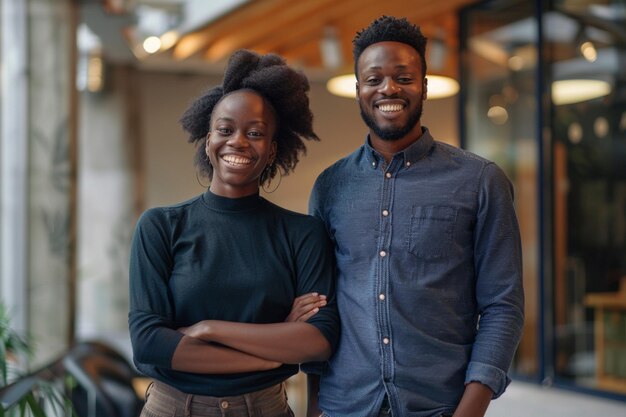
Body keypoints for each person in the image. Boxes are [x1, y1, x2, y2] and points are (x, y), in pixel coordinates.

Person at [306, 16, 524, 417]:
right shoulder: (330, 186)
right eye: (373, 79)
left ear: (423, 86)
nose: (388, 88)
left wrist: (471, 408)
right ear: (358, 91)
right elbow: (322, 307)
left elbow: (502, 306)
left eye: (403, 77)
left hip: (439, 405)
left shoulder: (480, 180)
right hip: (345, 404)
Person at [129, 49, 339, 417]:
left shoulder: (303, 233)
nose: (238, 141)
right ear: (207, 141)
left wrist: (210, 329)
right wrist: (273, 350)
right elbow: (149, 344)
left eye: (255, 133)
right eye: (225, 130)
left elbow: (318, 341)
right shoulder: (160, 226)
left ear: (272, 150)